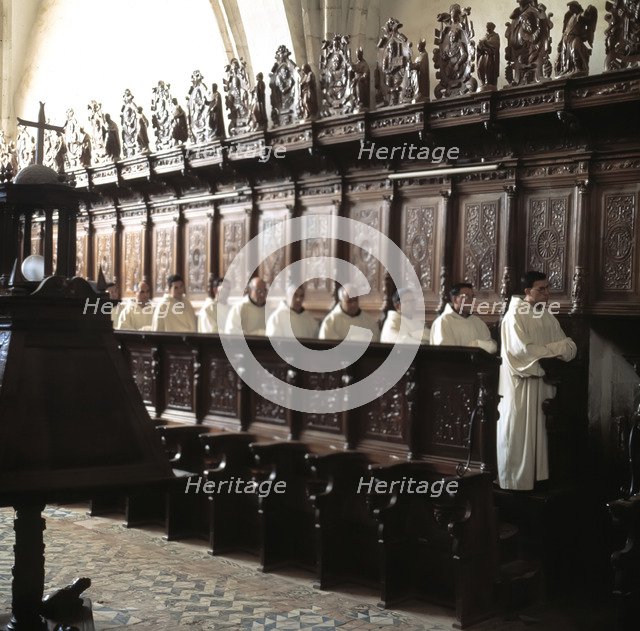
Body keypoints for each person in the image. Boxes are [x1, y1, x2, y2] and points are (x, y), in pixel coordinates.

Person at [497, 271, 577, 491]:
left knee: (541, 436)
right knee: (519, 435)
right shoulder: (515, 316)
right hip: (522, 387)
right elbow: (524, 353)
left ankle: (538, 482)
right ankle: (515, 484)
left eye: (547, 288)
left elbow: (570, 347)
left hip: (544, 384)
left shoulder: (546, 315)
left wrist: (551, 351)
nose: (547, 293)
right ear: (526, 292)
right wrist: (554, 350)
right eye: (541, 289)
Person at [430, 283, 497, 353]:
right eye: (466, 296)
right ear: (454, 299)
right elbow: (445, 353)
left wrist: (477, 344)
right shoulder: (443, 322)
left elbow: (492, 347)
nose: (471, 301)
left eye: (472, 297)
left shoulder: (478, 322)